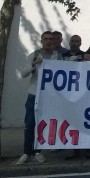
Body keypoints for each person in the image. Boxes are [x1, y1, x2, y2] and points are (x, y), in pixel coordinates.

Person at [17, 31, 63, 165]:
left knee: (43, 124)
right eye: (46, 39)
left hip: (49, 95)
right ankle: (27, 152)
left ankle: (38, 151)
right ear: (42, 40)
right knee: (30, 123)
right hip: (34, 94)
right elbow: (23, 74)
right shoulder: (34, 55)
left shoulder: (57, 56)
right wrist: (34, 64)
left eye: (51, 39)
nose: (48, 41)